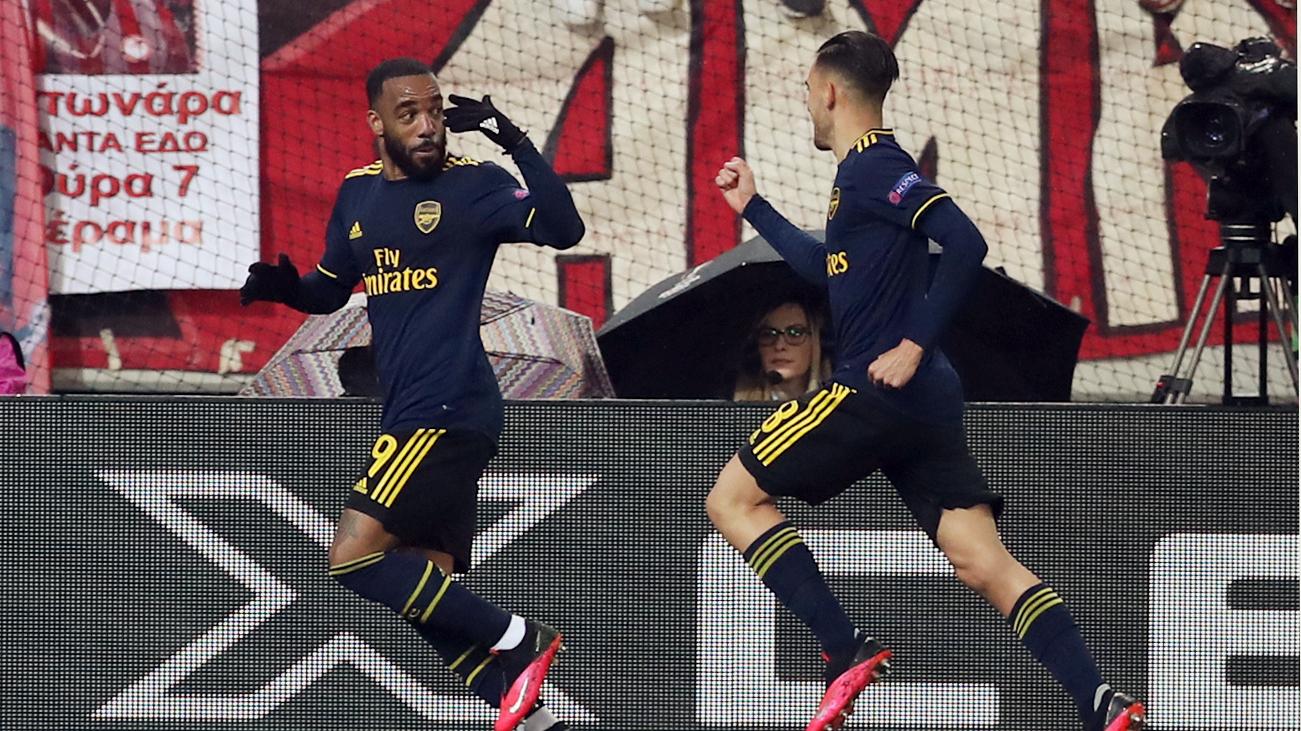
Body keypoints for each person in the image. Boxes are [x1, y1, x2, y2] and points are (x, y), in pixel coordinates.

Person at [707, 31, 1146, 731]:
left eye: (806, 89)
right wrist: (753, 207)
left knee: (731, 499)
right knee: (981, 560)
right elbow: (826, 270)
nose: (806, 103)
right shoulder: (858, 176)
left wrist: (912, 344)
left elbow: (966, 241)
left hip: (875, 389)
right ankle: (1100, 702)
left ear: (829, 91)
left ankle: (842, 648)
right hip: (925, 401)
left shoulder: (876, 165)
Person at [239, 58, 583, 731]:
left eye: (434, 111)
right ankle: (538, 722)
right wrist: (289, 290)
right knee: (422, 586)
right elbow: (330, 288)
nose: (428, 126)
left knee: (352, 555)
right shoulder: (357, 193)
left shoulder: (475, 184)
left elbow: (564, 229)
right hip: (414, 410)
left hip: (446, 406)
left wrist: (514, 141)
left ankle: (519, 637)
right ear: (376, 123)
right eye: (409, 114)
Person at [733, 296, 832, 402]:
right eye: (768, 334)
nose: (779, 346)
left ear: (815, 342)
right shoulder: (734, 405)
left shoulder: (838, 404)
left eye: (794, 333)